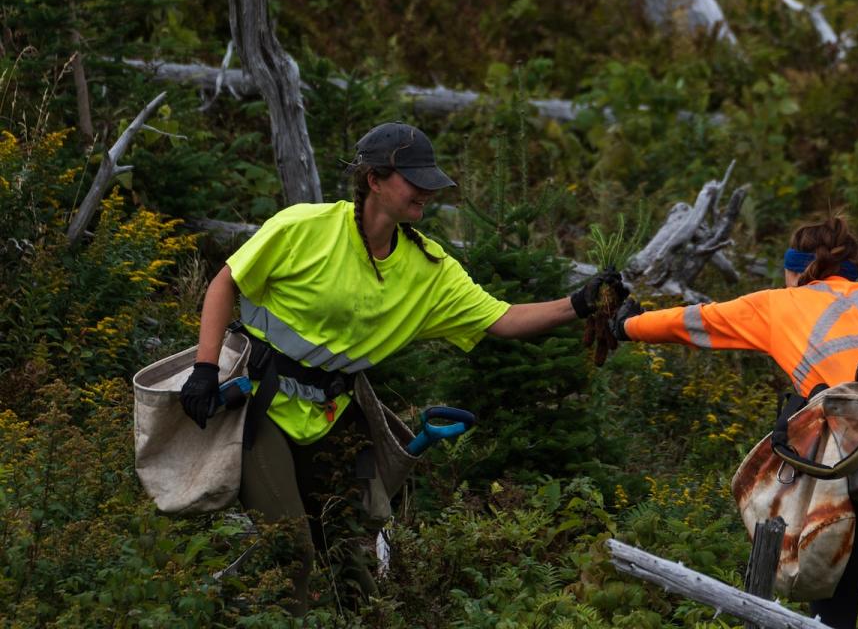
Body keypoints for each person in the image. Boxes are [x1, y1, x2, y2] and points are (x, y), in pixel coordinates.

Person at [178, 122, 625, 615]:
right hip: (259, 410)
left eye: (431, 181)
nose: (427, 192)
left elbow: (502, 319)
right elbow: (226, 283)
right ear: (374, 179)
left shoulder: (430, 270)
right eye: (415, 181)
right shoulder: (304, 228)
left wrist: (581, 303)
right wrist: (204, 368)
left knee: (352, 559)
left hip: (330, 417)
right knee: (293, 551)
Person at [610, 216, 858, 628]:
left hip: (845, 468)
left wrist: (628, 325)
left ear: (796, 271)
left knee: (833, 607)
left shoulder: (776, 304)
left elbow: (695, 322)